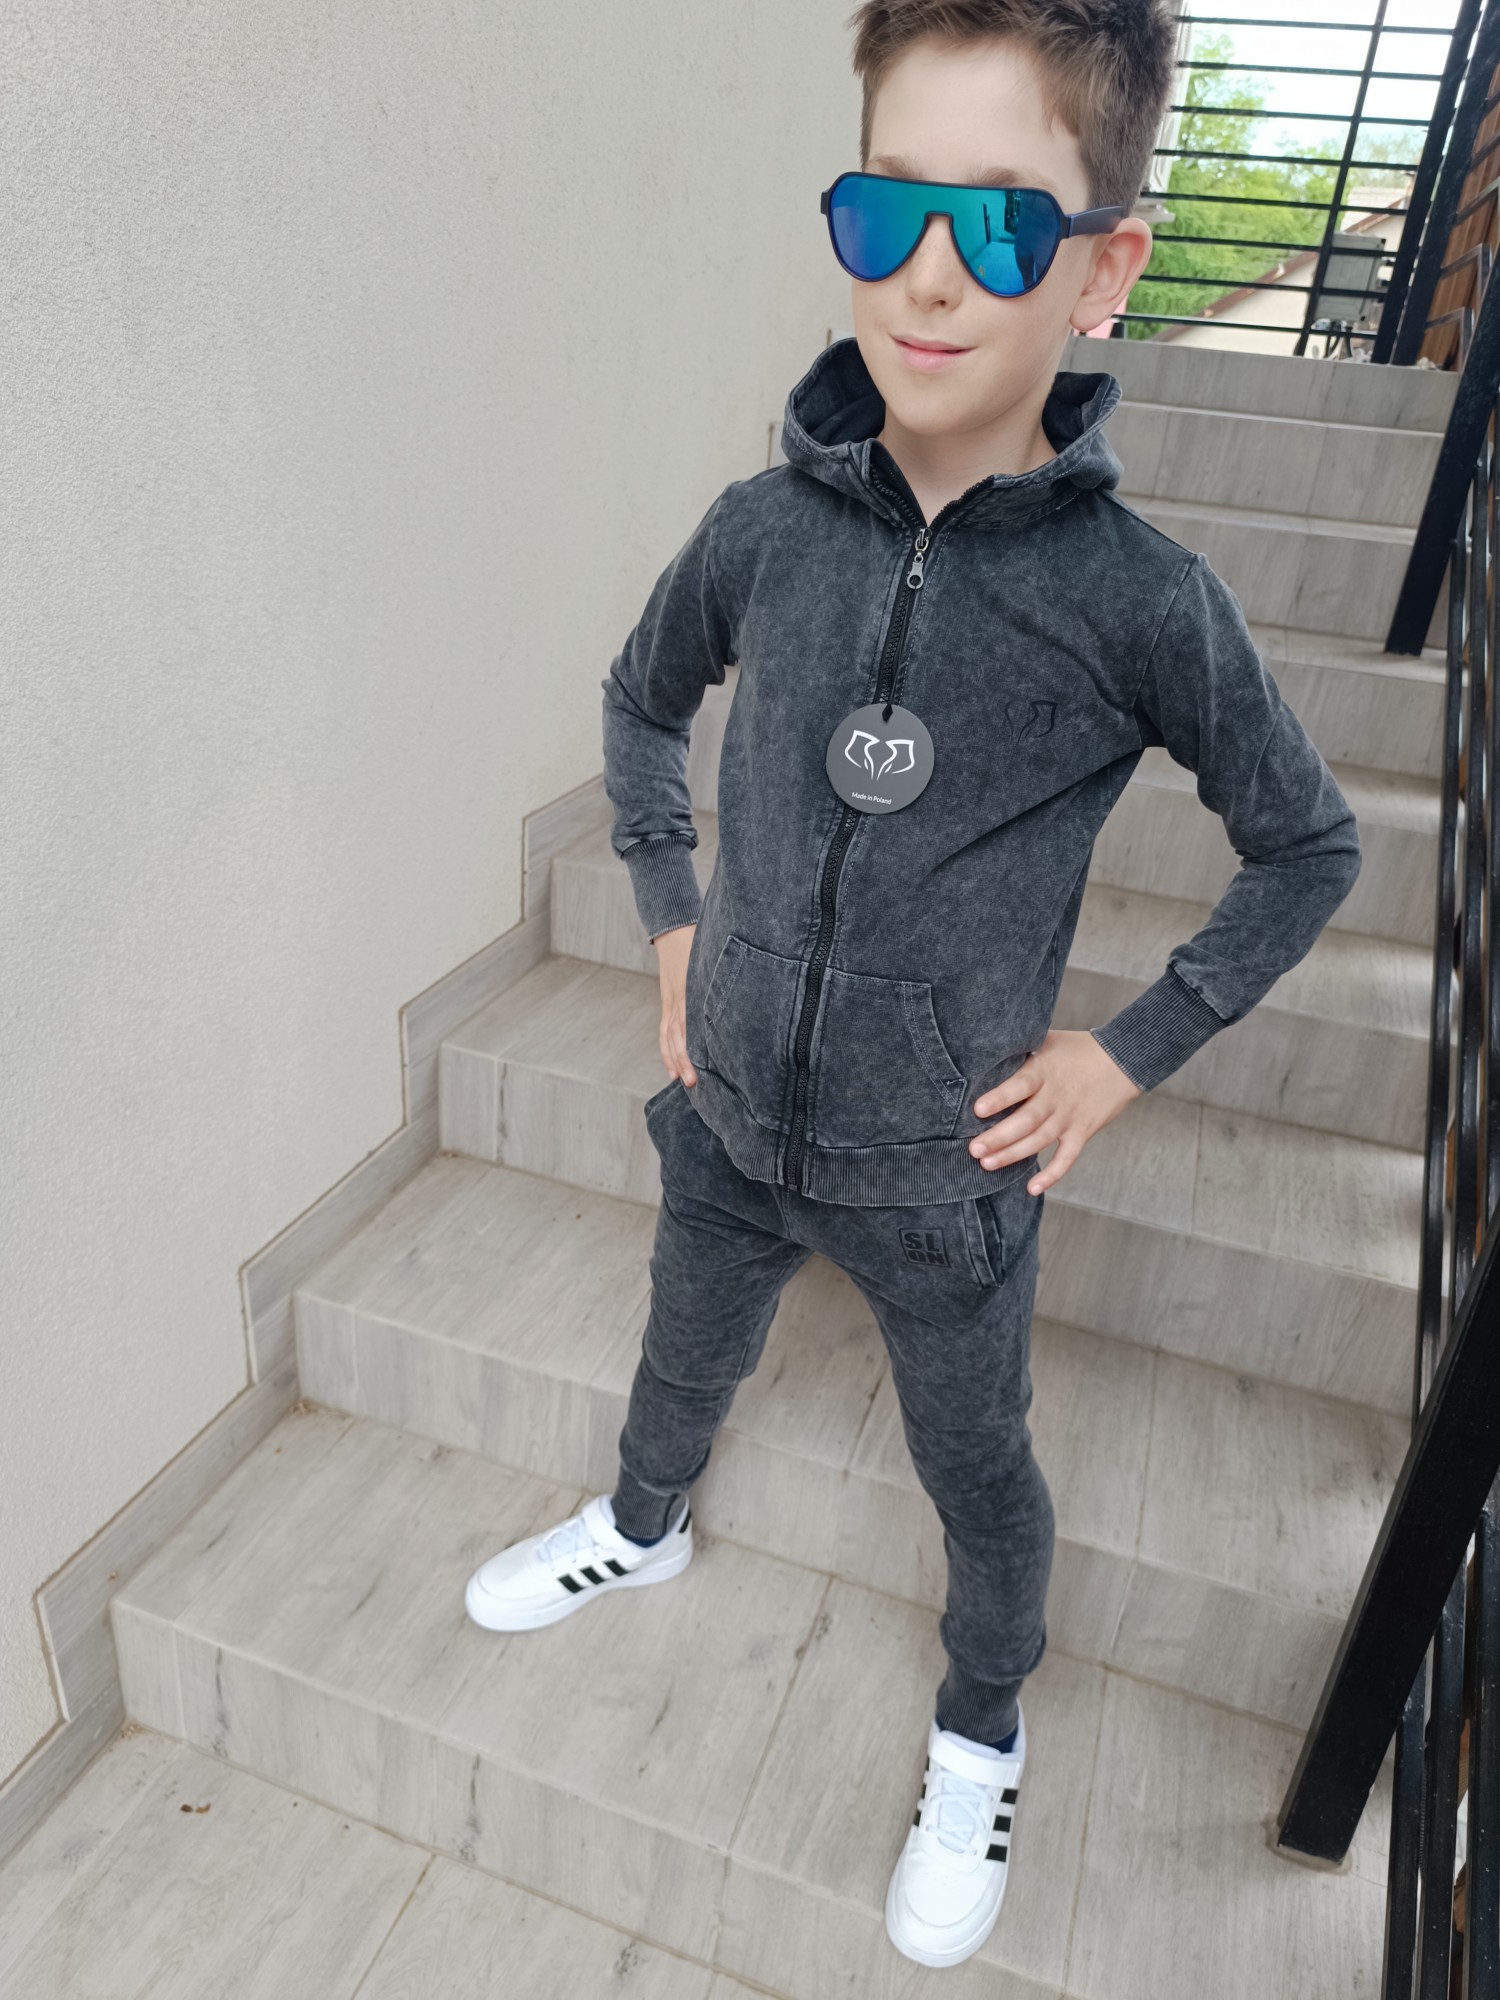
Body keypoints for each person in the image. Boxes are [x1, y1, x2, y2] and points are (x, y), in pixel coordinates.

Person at [464, 0, 1363, 1971]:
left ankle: (981, 1732)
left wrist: (1127, 1054)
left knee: (979, 1469)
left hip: (943, 1174)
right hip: (726, 1112)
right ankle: (642, 1521)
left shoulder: (1144, 603)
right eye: (888, 212)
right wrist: (675, 914)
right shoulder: (762, 528)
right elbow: (640, 703)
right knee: (680, 1352)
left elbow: (1308, 847)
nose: (932, 275)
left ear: (1105, 268)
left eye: (1004, 222)